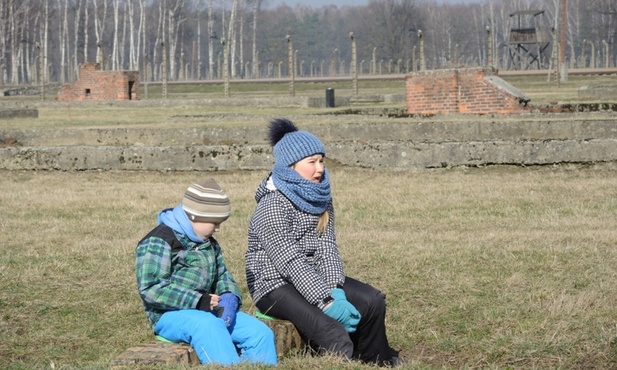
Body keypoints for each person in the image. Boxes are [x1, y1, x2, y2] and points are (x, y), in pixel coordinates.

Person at [245, 118, 404, 367]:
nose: (320, 168)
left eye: (321, 160)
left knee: (372, 301)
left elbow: (327, 248)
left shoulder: (321, 198)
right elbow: (290, 262)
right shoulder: (272, 204)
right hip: (274, 284)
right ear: (291, 166)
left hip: (312, 277)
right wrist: (326, 301)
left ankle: (376, 360)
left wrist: (336, 290)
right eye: (312, 162)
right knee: (333, 332)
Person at [135, 178, 278, 366]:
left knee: (259, 333)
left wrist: (229, 296)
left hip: (207, 310)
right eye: (215, 222)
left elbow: (222, 274)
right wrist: (197, 300)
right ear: (195, 216)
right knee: (209, 327)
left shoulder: (207, 242)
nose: (218, 229)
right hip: (169, 315)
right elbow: (151, 288)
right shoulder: (159, 241)